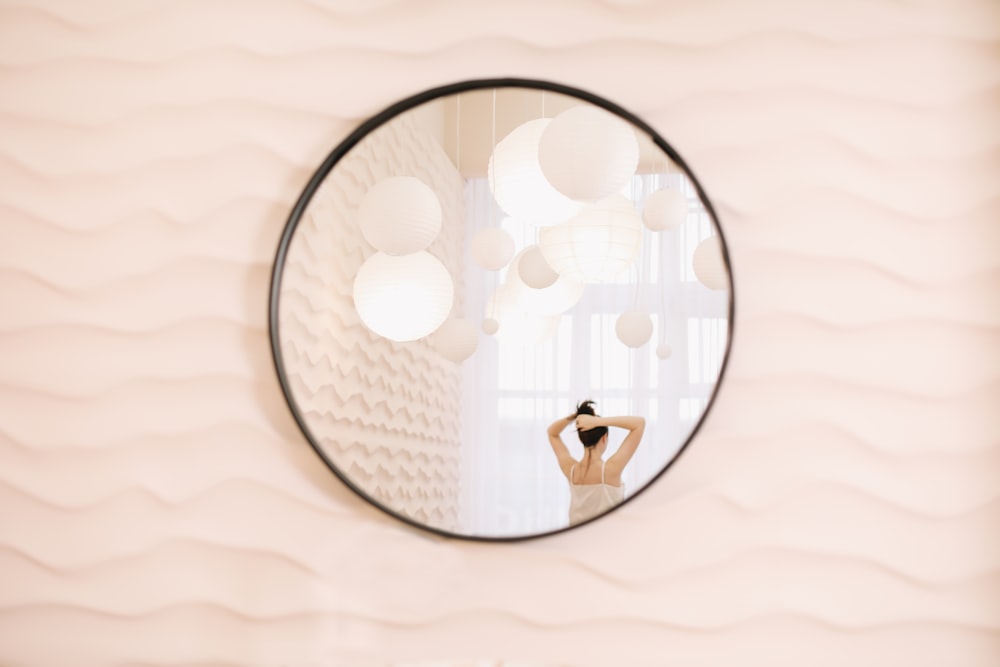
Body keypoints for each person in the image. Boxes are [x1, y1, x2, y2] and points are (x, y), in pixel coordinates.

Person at [546, 400, 645, 525]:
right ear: (604, 438)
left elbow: (552, 433)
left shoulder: (571, 470)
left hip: (576, 541)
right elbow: (639, 424)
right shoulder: (610, 470)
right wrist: (597, 422)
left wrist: (576, 416)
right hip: (607, 542)